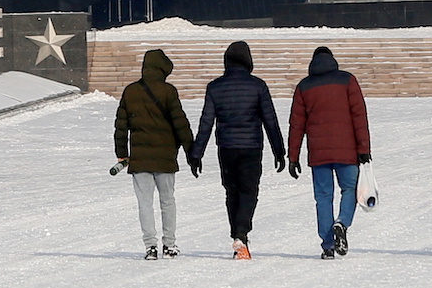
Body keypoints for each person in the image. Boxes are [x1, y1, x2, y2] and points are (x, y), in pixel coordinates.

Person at [193, 40, 286, 260]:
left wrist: (197, 153)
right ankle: (241, 235)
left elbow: (206, 122)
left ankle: (238, 235)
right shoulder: (258, 86)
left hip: (226, 148)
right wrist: (279, 150)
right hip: (251, 147)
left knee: (232, 191)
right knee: (249, 191)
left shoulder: (215, 87)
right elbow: (270, 120)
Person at [112, 48, 198, 259]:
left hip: (140, 158)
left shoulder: (130, 91)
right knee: (167, 201)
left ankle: (150, 246)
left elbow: (121, 126)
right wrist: (191, 151)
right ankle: (169, 245)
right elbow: (180, 123)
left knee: (145, 203)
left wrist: (122, 153)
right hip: (165, 157)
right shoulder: (168, 91)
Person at [286, 45, 372, 259]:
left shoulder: (304, 87)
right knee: (349, 190)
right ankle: (341, 223)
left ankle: (327, 245)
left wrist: (293, 156)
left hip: (318, 154)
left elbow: (296, 125)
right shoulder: (347, 81)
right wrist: (364, 149)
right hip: (347, 151)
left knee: (323, 197)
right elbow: (359, 116)